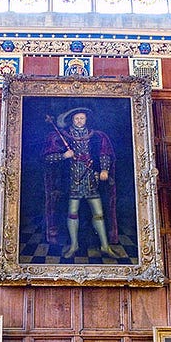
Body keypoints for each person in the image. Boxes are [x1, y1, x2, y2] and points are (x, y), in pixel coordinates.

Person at [42, 107, 124, 259]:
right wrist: (64, 156)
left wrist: (104, 170)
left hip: (91, 179)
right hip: (73, 180)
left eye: (82, 118)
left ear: (86, 119)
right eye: (76, 119)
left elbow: (104, 154)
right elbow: (47, 158)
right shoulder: (61, 137)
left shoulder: (97, 137)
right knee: (72, 212)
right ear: (72, 120)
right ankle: (74, 245)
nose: (79, 121)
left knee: (98, 214)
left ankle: (105, 246)